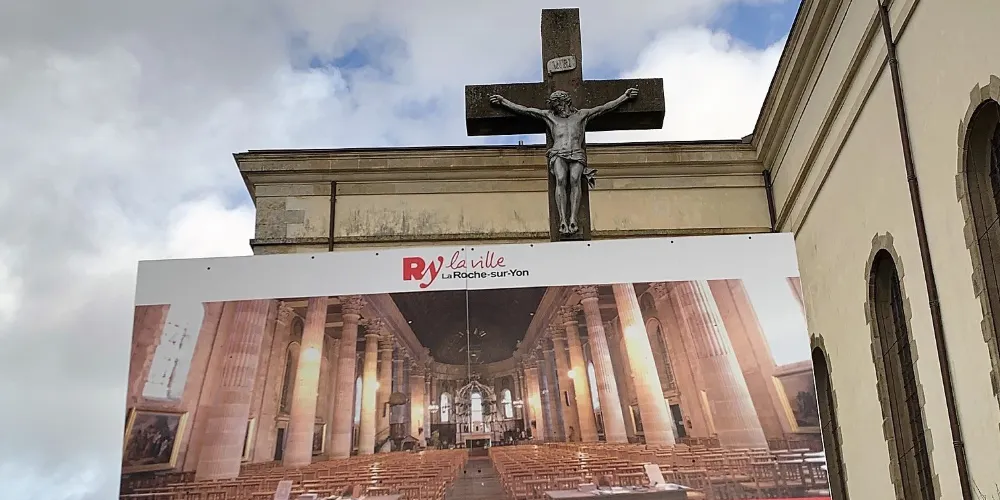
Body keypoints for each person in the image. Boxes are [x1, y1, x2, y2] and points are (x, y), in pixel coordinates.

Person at [489, 88, 639, 235]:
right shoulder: (550, 116)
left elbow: (604, 108)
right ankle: (562, 220)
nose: (557, 108)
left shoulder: (581, 115)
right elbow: (526, 110)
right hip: (558, 152)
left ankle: (573, 218)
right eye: (554, 106)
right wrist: (504, 102)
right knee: (560, 179)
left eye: (558, 104)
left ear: (565, 102)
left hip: (577, 153)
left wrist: (624, 97)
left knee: (575, 180)